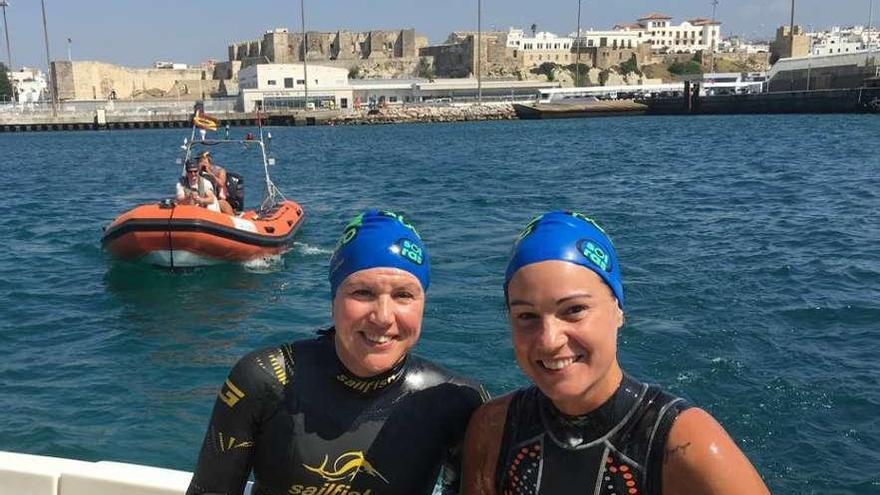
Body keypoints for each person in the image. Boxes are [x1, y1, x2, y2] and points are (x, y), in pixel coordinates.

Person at [461, 211, 770, 495]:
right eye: (527, 316)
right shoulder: (493, 427)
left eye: (574, 310)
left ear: (618, 310)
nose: (549, 339)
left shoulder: (683, 443)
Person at [187, 209, 488, 495]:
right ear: (333, 302)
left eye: (403, 295)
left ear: (423, 304)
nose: (383, 316)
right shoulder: (264, 380)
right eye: (362, 292)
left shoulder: (457, 401)